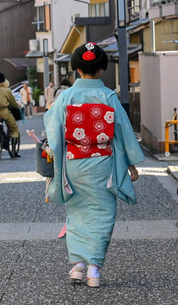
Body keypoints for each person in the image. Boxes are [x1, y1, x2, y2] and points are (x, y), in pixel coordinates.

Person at [43, 43, 144, 287]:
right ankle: (94, 270)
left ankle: (77, 266)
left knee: (76, 213)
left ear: (77, 69)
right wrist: (130, 162)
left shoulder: (65, 96)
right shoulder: (108, 96)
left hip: (73, 164)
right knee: (102, 214)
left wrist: (52, 151)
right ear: (101, 69)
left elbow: (53, 129)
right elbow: (122, 130)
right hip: (103, 163)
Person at [0, 72, 21, 158]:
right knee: (14, 129)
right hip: (4, 112)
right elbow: (12, 102)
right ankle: (13, 151)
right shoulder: (7, 90)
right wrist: (17, 106)